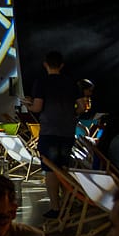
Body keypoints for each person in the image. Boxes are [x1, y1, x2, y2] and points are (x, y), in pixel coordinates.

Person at [26, 50, 78, 220]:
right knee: (64, 168)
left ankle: (56, 207)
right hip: (68, 131)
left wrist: (28, 105)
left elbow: (37, 107)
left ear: (45, 64)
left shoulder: (42, 82)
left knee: (50, 169)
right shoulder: (71, 82)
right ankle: (68, 204)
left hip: (50, 131)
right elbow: (81, 107)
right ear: (61, 65)